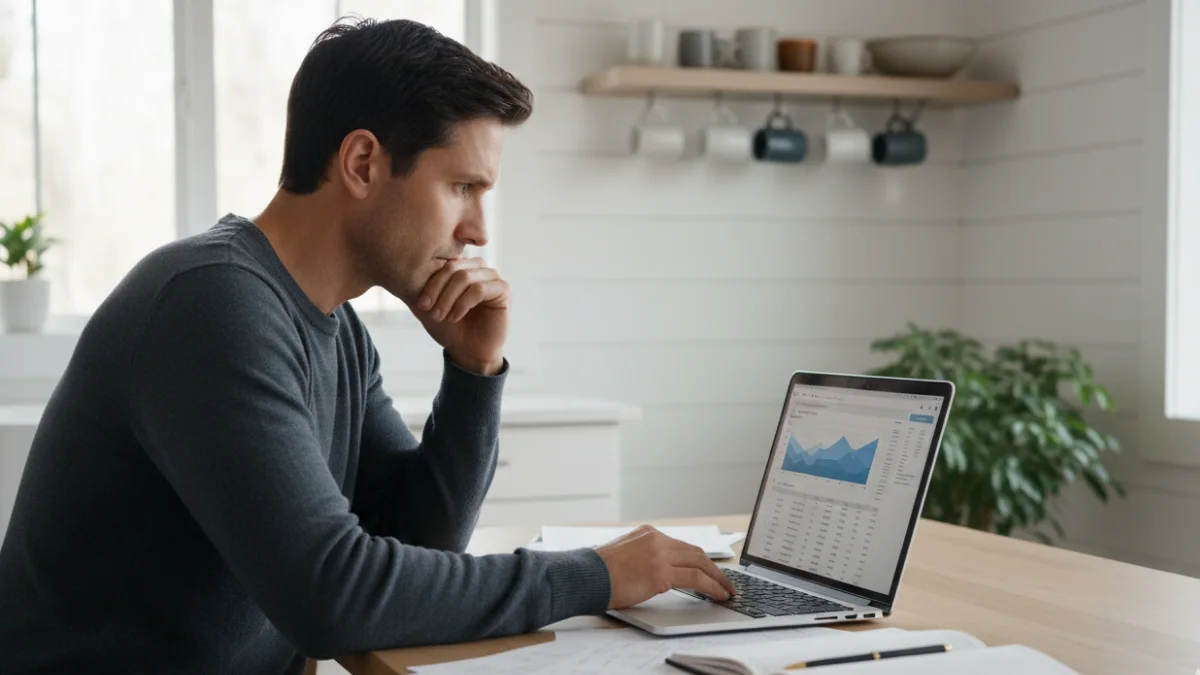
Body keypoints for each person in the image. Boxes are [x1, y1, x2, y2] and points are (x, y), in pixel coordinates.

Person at [0, 17, 735, 675]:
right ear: (361, 163)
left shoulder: (336, 327)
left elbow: (417, 543)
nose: (478, 230)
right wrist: (593, 575)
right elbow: (334, 595)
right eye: (462, 187)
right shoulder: (210, 303)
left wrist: (473, 372)